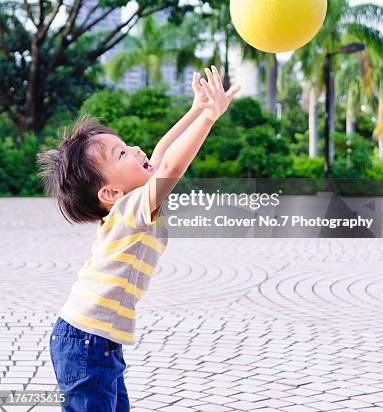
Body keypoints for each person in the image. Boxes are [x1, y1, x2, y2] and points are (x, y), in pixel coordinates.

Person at [36, 65, 241, 411]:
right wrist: (208, 118)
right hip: (86, 341)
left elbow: (162, 151)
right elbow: (173, 168)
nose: (134, 149)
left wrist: (195, 109)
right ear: (111, 192)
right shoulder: (132, 208)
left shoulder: (128, 203)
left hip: (95, 341)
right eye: (121, 154)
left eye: (126, 146)